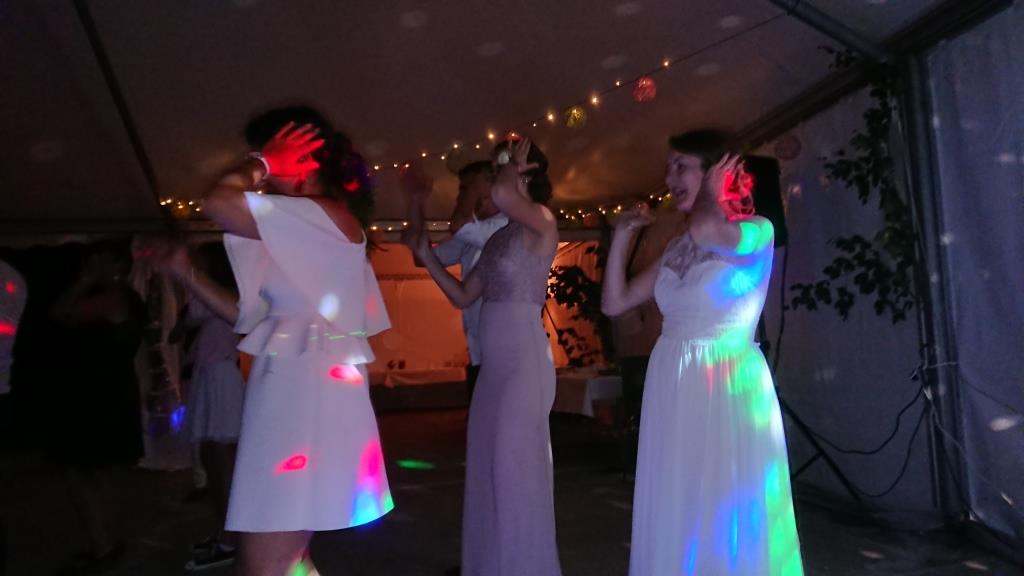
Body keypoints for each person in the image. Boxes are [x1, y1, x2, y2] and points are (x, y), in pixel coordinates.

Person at [161, 105, 392, 576]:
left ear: (300, 153)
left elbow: (218, 202)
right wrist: (186, 274)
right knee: (281, 560)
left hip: (308, 395)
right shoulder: (298, 223)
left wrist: (261, 163)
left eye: (265, 150)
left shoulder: (323, 215)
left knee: (269, 562)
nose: (258, 167)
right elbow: (254, 318)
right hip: (289, 390)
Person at [602, 130, 803, 575]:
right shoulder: (678, 246)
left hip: (726, 381)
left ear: (717, 172)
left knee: (722, 501)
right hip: (672, 380)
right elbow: (615, 302)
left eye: (681, 166)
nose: (669, 177)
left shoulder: (757, 231)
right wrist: (621, 237)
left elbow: (710, 231)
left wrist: (713, 192)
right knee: (680, 498)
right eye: (667, 167)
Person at [408, 137, 562, 575]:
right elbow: (462, 295)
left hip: (524, 367)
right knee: (488, 473)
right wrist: (425, 256)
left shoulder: (542, 222)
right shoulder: (499, 238)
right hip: (494, 371)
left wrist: (509, 167)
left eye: (505, 165)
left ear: (526, 172)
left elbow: (501, 193)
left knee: (515, 474)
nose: (496, 175)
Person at [50, 241, 147, 574]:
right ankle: (106, 542)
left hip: (98, 394)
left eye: (99, 259)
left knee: (83, 469)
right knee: (94, 470)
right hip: (103, 391)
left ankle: (104, 545)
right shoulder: (124, 296)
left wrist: (83, 281)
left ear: (118, 264)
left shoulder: (115, 297)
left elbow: (60, 313)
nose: (91, 264)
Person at [401, 160, 507, 401]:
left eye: (466, 188)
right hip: (480, 353)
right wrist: (416, 202)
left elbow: (458, 225)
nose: (460, 196)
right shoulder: (475, 232)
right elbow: (423, 258)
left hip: (503, 352)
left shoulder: (503, 227)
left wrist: (473, 192)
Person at [169, 243, 245, 571]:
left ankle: (231, 538)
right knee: (213, 456)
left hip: (221, 375)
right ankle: (225, 532)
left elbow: (185, 323)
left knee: (220, 457)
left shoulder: (225, 295)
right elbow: (179, 330)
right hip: (212, 373)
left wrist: (188, 276)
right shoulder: (217, 294)